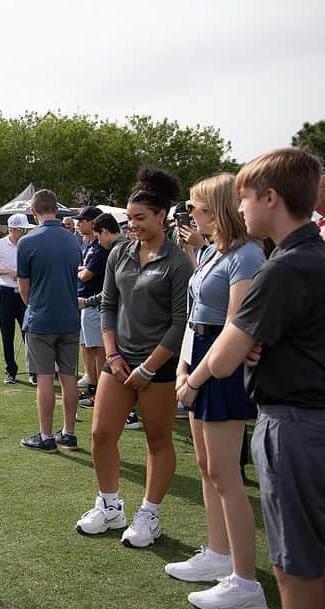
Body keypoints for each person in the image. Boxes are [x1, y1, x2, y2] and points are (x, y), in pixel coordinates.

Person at [177, 148, 324, 609]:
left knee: (296, 564)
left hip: (295, 421)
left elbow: (225, 356)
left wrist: (208, 367)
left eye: (246, 198)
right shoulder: (309, 257)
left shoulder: (279, 267)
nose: (241, 208)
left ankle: (243, 581)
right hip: (305, 415)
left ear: (272, 198)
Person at [162, 174, 267, 608]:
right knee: (208, 468)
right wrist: (183, 368)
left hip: (221, 367)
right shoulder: (213, 251)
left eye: (197, 207)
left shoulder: (245, 256)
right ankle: (219, 554)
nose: (191, 214)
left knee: (226, 475)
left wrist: (195, 376)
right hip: (199, 356)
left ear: (216, 208)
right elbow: (195, 318)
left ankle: (246, 582)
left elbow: (234, 327)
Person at [75, 167, 192, 548]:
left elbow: (179, 323)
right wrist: (112, 353)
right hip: (118, 359)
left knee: (158, 438)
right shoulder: (119, 253)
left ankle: (149, 515)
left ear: (162, 216)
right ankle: (110, 506)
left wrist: (148, 367)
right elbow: (108, 304)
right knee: (100, 433)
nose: (133, 226)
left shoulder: (178, 262)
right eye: (130, 218)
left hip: (157, 364)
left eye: (141, 218)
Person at [17, 189, 84, 453]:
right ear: (56, 209)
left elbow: (24, 288)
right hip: (69, 317)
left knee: (45, 378)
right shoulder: (72, 240)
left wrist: (33, 306)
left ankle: (46, 436)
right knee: (68, 377)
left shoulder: (28, 242)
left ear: (34, 212)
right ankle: (68, 433)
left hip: (41, 318)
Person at [78, 213, 122, 408]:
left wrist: (88, 301)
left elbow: (115, 290)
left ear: (104, 232)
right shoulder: (117, 249)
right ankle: (103, 397)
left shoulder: (119, 251)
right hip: (109, 308)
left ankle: (114, 402)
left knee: (106, 353)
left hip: (119, 313)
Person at [0, 214, 30, 384]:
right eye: (22, 229)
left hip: (24, 293)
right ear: (12, 229)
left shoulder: (26, 245)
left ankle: (32, 370)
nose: (24, 232)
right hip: (5, 293)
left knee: (29, 333)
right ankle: (10, 369)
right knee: (7, 334)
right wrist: (8, 272)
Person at [75, 207, 108, 403]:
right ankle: (93, 386)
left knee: (98, 349)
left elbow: (86, 275)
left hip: (95, 303)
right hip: (85, 303)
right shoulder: (87, 245)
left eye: (83, 220)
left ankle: (98, 391)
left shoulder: (100, 248)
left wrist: (78, 270)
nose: (80, 223)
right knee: (87, 346)